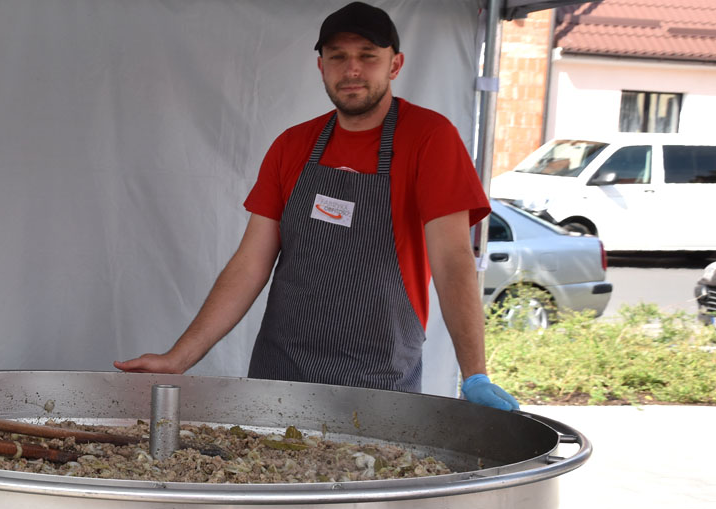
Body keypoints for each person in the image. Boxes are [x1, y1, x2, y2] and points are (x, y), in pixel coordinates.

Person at [115, 2, 518, 411]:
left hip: (377, 380)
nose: (352, 70)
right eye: (338, 57)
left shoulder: (430, 138)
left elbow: (451, 259)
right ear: (321, 66)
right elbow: (249, 264)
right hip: (279, 373)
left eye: (368, 56)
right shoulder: (292, 145)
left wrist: (475, 374)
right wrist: (178, 360)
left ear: (394, 65)